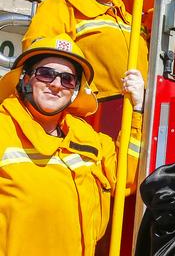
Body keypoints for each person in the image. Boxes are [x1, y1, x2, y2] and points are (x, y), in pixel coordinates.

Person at [0, 34, 144, 256]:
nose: (57, 85)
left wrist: (137, 110)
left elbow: (124, 178)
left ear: (76, 89)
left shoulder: (86, 137)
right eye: (45, 74)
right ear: (26, 78)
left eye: (67, 79)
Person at [0, 0, 149, 135]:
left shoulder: (130, 15)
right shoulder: (61, 6)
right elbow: (39, 61)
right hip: (92, 116)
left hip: (141, 111)